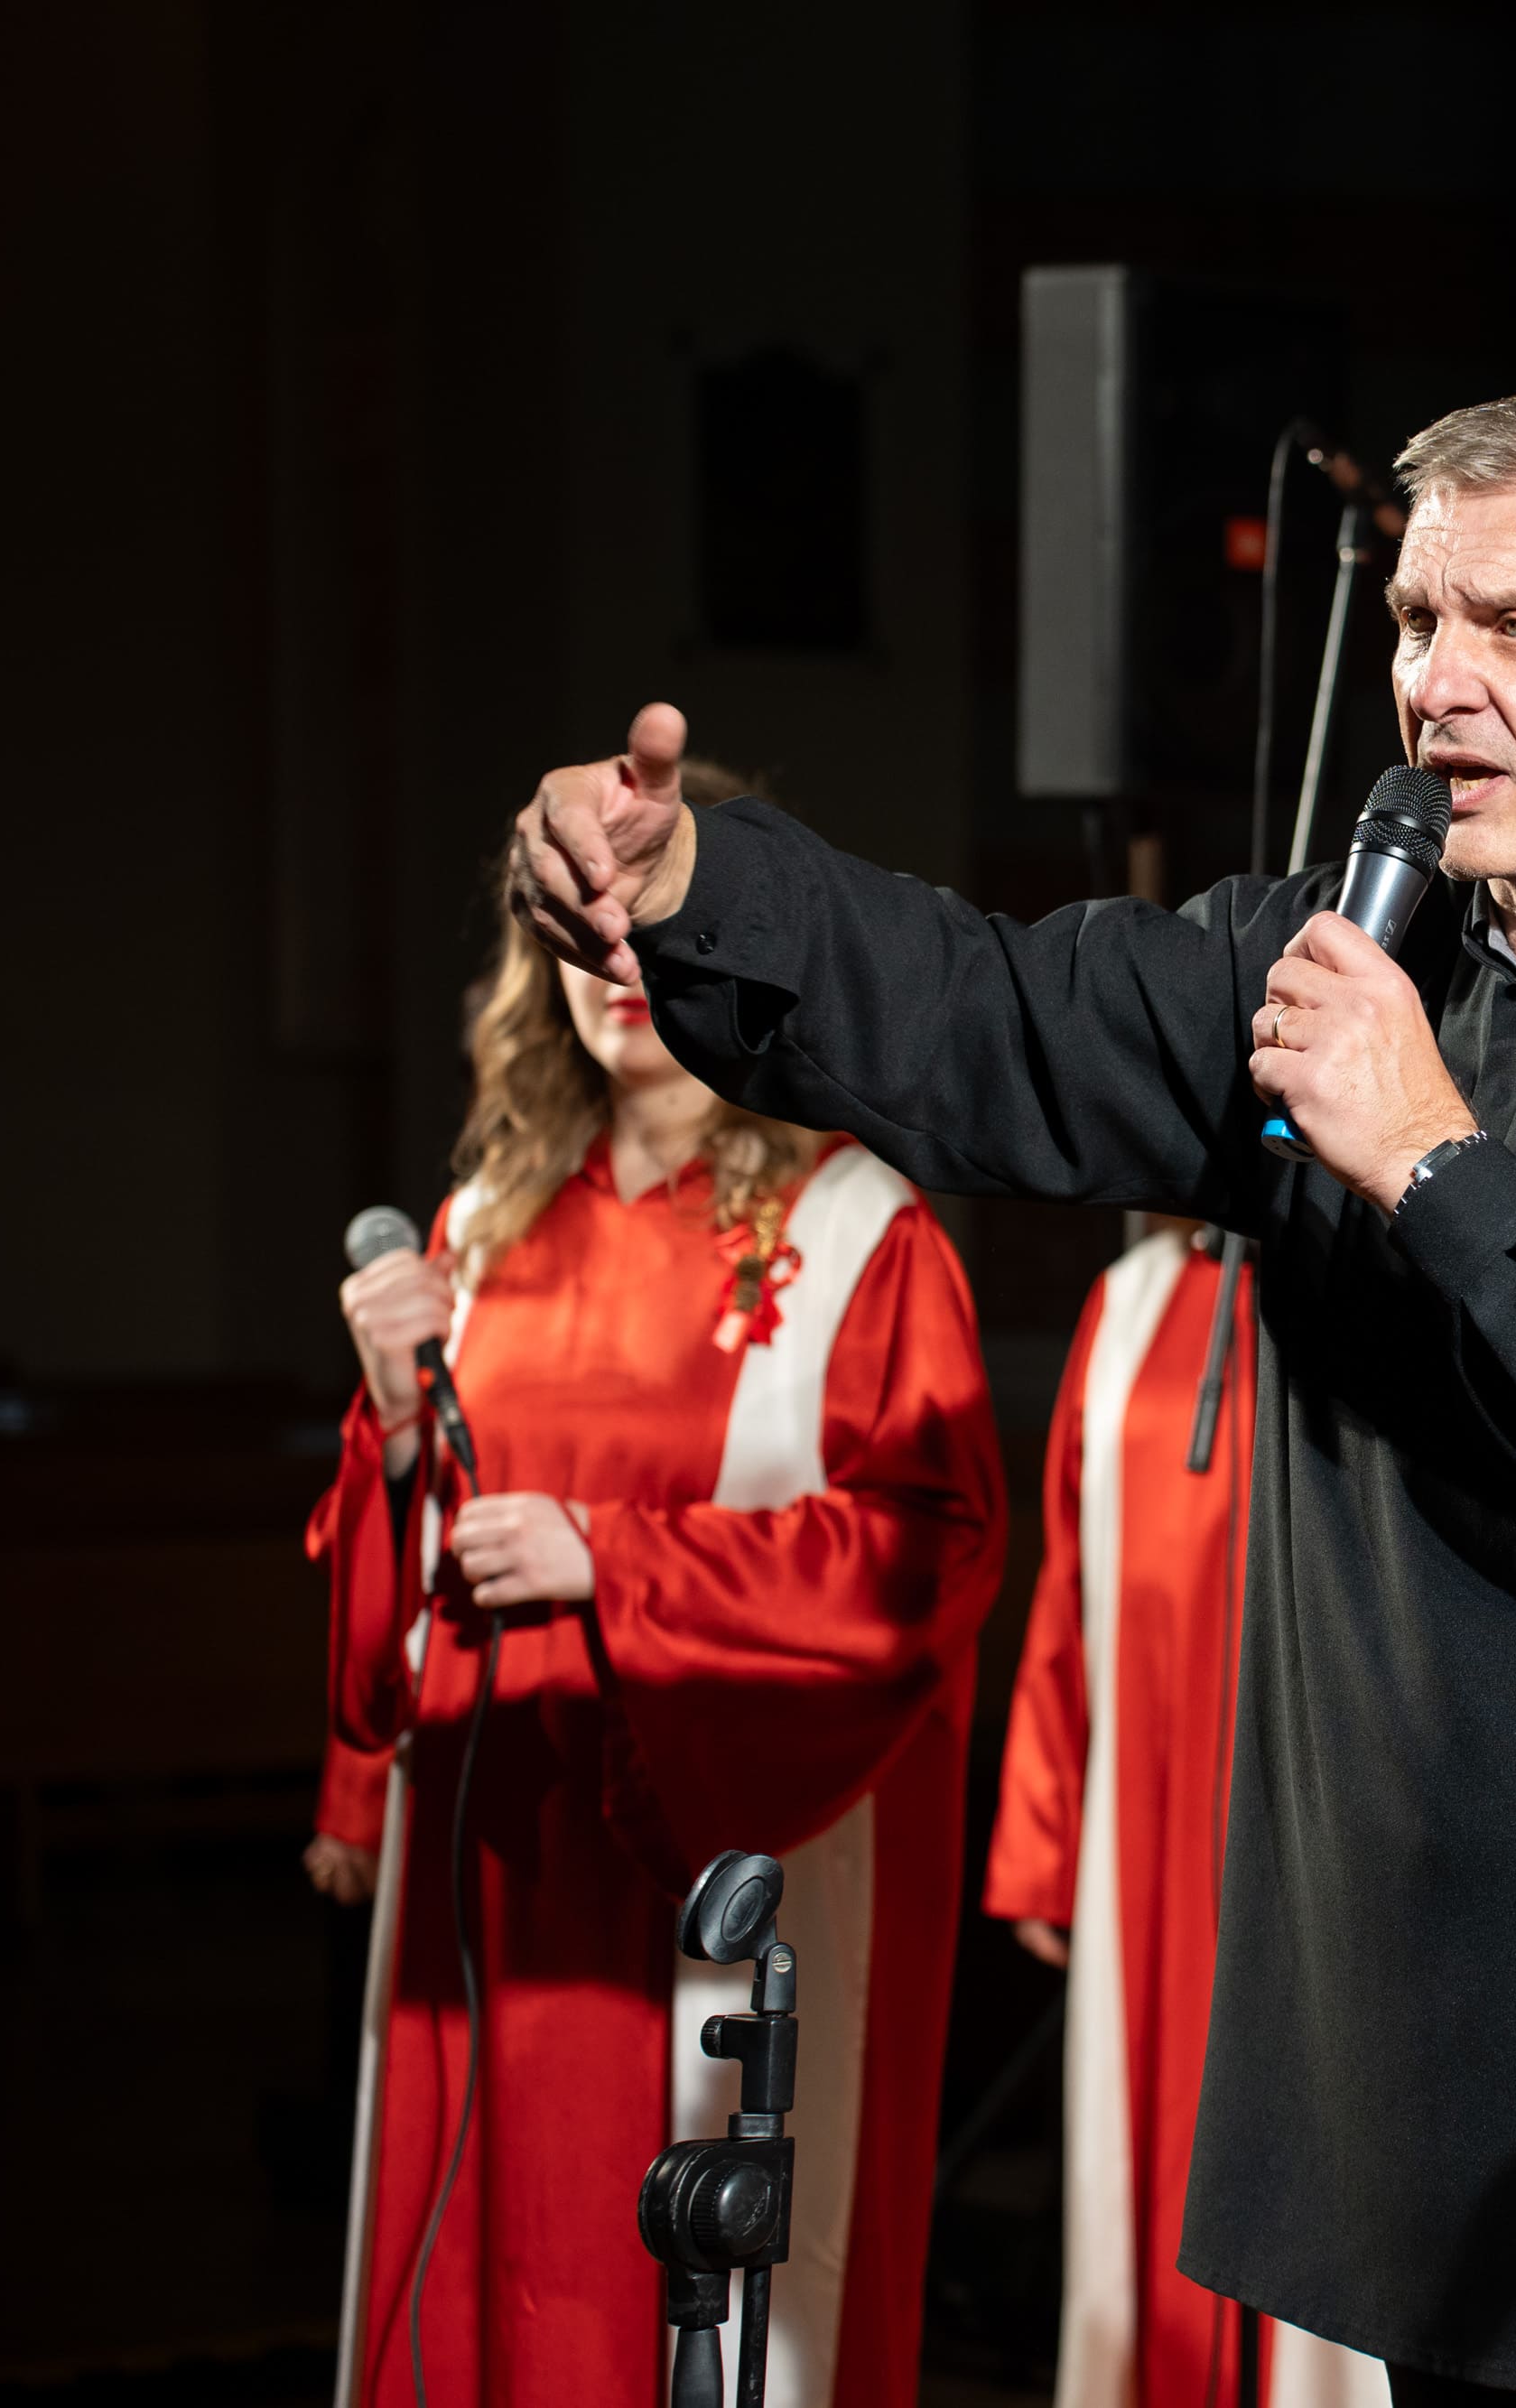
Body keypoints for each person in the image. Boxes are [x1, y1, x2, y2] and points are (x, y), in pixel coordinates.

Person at [507, 382, 1516, 2404]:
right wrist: (699, 881)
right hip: (1469, 2096)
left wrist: (1435, 1164)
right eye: (1421, 624)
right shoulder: (1371, 949)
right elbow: (997, 1011)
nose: (1439, 684)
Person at [309, 869, 1007, 2408]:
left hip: (703, 1846)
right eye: (580, 930)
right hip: (496, 1862)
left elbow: (927, 1547)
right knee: (490, 2274)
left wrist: (609, 1558)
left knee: (685, 2293)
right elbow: (390, 1602)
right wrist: (403, 1431)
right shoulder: (481, 1231)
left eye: (660, 922)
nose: (619, 962)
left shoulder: (853, 1226)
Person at [990, 1226, 1388, 2408]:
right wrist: (1045, 1834)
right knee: (1146, 2153)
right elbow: (1068, 1569)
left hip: (1334, 1808)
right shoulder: (1130, 1297)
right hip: (1148, 1818)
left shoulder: (1389, 1272)